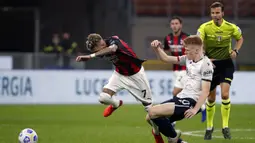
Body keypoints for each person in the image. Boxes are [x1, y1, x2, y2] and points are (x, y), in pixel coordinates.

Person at [76, 33, 163, 143]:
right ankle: (116, 104)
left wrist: (90, 56)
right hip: (120, 75)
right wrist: (92, 55)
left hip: (136, 76)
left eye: (95, 49)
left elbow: (112, 49)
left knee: (151, 111)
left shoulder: (114, 40)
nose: (95, 52)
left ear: (101, 42)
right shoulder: (101, 49)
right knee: (103, 98)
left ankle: (156, 132)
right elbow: (103, 52)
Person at [146, 35, 213, 143]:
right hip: (181, 97)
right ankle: (177, 140)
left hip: (191, 101)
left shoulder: (206, 64)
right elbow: (166, 58)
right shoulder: (187, 59)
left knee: (153, 112)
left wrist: (195, 109)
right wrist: (157, 49)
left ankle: (173, 138)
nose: (185, 52)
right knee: (149, 117)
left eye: (187, 50)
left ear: (196, 50)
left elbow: (206, 91)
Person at [197, 2, 244, 140]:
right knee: (211, 98)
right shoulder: (204, 27)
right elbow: (198, 41)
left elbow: (240, 38)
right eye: (213, 13)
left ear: (223, 13)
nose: (215, 15)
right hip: (210, 65)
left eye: (217, 13)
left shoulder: (231, 27)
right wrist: (202, 53)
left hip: (226, 64)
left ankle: (225, 127)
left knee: (224, 95)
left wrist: (235, 50)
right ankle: (209, 127)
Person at [164, 16, 206, 124]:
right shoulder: (168, 38)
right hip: (175, 70)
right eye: (172, 24)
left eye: (176, 23)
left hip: (186, 69)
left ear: (181, 25)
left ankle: (173, 118)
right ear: (170, 25)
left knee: (176, 92)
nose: (174, 25)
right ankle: (202, 106)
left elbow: (196, 49)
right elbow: (167, 50)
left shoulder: (187, 38)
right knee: (183, 93)